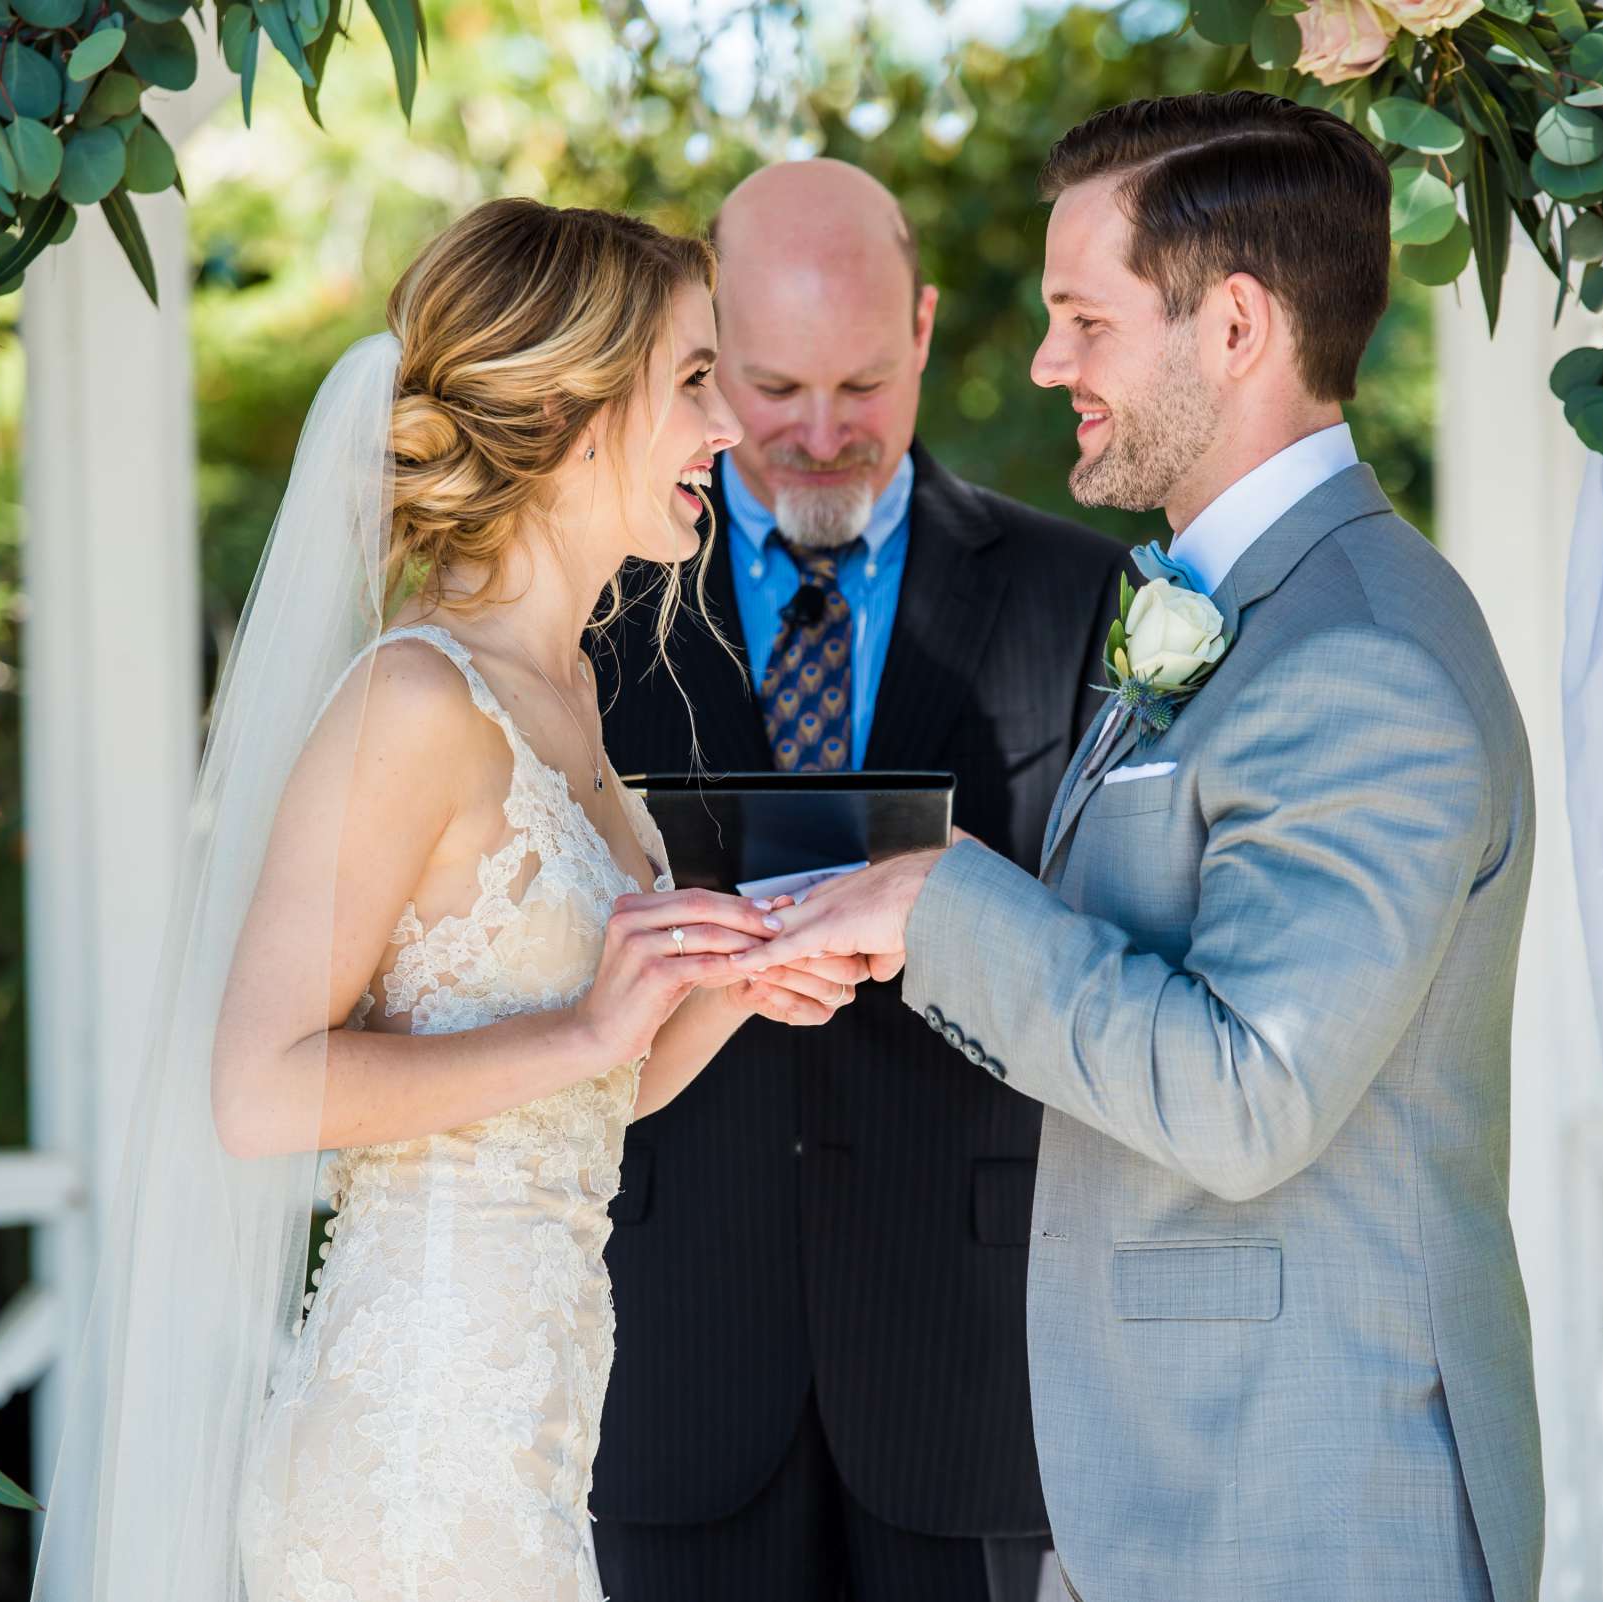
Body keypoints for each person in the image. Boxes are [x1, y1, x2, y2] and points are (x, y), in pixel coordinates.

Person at [733, 94, 1546, 1601]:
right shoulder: (1248, 606)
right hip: (1179, 1484)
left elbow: (1251, 1094)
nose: (1049, 364)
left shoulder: (1362, 658)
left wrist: (938, 903)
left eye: (1083, 320)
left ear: (1233, 327)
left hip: (1305, 1497)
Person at [30, 199, 872, 1602]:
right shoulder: (415, 700)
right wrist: (590, 1032)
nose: (728, 424)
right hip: (410, 1461)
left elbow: (585, 1090)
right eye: (690, 379)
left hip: (528, 1442)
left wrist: (736, 981)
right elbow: (256, 1088)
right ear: (574, 411)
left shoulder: (584, 696)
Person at [589, 160, 1128, 1602]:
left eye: (864, 384)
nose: (822, 436)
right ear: (703, 358)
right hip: (668, 1346)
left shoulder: (1082, 595)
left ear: (929, 331)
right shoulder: (593, 601)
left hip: (970, 1352)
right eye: (771, 388)